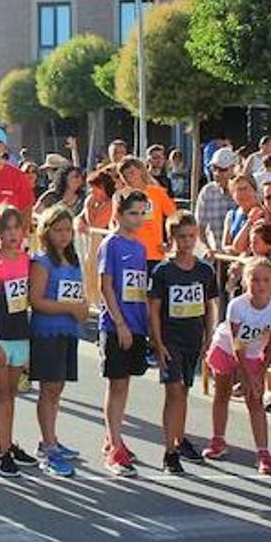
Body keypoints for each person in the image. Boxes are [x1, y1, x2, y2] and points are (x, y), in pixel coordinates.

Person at [148, 212, 218, 475]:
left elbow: (209, 305)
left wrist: (208, 336)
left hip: (193, 338)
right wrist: (157, 341)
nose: (186, 242)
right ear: (171, 238)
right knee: (173, 391)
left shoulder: (204, 270)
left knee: (184, 391)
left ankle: (180, 437)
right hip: (171, 339)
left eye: (191, 237)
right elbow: (154, 308)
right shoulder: (163, 271)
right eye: (181, 237)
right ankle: (170, 451)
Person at [204, 257, 271, 474]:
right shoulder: (238, 305)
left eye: (265, 280)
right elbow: (236, 343)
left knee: (255, 399)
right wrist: (246, 376)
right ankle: (218, 440)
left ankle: (263, 453)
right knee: (222, 393)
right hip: (227, 348)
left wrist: (260, 372)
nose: (259, 285)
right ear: (246, 281)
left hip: (253, 353)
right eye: (254, 280)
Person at [28, 206, 85, 478]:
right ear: (47, 231)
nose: (64, 236)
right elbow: (36, 300)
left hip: (68, 331)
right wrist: (68, 308)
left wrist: (80, 308)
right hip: (47, 331)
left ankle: (50, 437)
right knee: (48, 388)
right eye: (59, 230)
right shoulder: (42, 262)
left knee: (57, 388)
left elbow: (77, 295)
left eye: (68, 230)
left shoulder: (72, 261)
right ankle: (48, 445)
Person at [97, 188, 150, 477]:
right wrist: (120, 324)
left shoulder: (141, 247)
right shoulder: (111, 244)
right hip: (117, 325)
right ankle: (115, 447)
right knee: (116, 383)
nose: (138, 218)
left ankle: (113, 436)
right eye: (133, 213)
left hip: (137, 323)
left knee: (125, 383)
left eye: (142, 213)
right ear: (118, 213)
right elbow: (106, 286)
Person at [0, 204, 37, 479]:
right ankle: (1, 452)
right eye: (7, 229)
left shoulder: (28, 261)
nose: (13, 234)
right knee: (0, 394)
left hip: (20, 335)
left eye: (17, 228)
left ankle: (8, 441)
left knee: (12, 395)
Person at [120, 157, 173, 269]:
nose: (129, 178)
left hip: (154, 254)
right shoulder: (121, 196)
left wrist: (171, 242)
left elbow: (174, 218)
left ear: (141, 171)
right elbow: (114, 223)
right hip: (129, 254)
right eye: (124, 176)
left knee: (154, 286)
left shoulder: (157, 193)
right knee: (134, 287)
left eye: (132, 172)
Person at [195, 147, 240, 253]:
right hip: (215, 257)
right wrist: (207, 250)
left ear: (235, 169)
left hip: (240, 259)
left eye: (222, 169)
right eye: (214, 169)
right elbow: (199, 227)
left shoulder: (246, 190)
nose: (217, 173)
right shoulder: (207, 192)